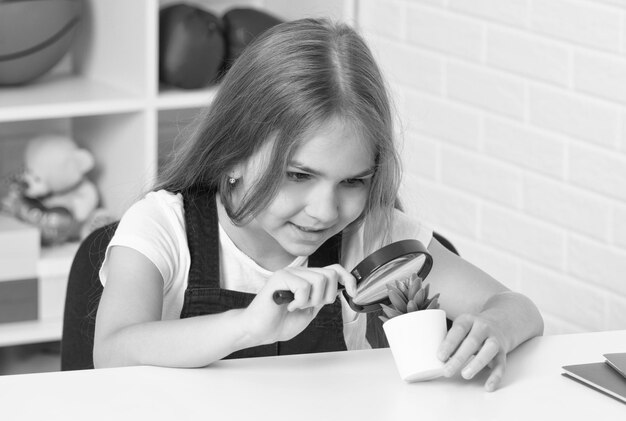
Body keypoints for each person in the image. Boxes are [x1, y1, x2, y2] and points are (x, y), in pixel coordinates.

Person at [93, 18, 544, 392]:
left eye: (353, 181)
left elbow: (515, 305)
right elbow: (113, 352)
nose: (325, 211)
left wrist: (495, 328)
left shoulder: (373, 237)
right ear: (233, 153)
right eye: (298, 175)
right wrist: (249, 325)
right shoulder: (162, 227)